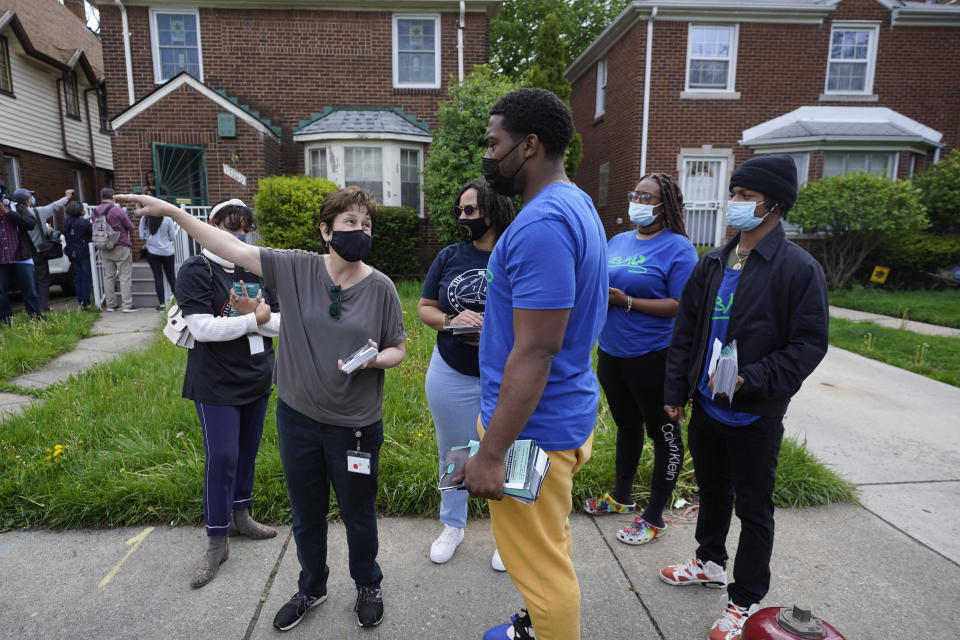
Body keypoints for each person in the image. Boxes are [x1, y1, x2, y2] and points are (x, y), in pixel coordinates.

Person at [117, 186, 406, 631]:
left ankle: (368, 582)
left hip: (355, 426)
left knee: (358, 513)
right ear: (326, 231)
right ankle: (312, 586)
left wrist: (375, 360)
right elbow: (227, 245)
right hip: (300, 421)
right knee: (306, 514)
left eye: (366, 224)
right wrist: (172, 212)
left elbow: (398, 349)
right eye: (350, 223)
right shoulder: (297, 269)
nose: (360, 231)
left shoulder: (382, 287)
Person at [659, 154, 829, 640]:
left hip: (755, 413)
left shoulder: (798, 269)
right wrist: (676, 389)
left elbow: (808, 345)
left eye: (745, 196)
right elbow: (686, 330)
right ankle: (709, 560)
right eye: (734, 193)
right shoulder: (713, 260)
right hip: (707, 406)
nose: (733, 203)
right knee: (713, 491)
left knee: (754, 509)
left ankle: (745, 600)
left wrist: (747, 379)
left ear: (773, 205)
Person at [458, 88, 607, 640]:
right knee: (549, 548)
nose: (488, 155)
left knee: (543, 575)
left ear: (530, 145)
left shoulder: (541, 225)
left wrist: (491, 454)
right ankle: (535, 626)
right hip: (559, 413)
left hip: (530, 432)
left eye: (494, 143)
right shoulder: (577, 204)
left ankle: (549, 630)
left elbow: (537, 349)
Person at [583, 173, 698, 546]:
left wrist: (626, 302)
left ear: (666, 206)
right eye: (636, 195)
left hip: (654, 356)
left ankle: (654, 516)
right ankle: (621, 496)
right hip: (613, 352)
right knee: (626, 426)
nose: (639, 202)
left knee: (664, 434)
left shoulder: (679, 248)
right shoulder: (618, 240)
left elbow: (682, 306)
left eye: (648, 198)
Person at [175, 198, 281, 589]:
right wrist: (255, 319)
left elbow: (281, 323)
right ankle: (216, 540)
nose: (238, 235)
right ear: (212, 224)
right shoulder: (196, 270)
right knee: (222, 456)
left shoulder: (254, 266)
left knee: (248, 451)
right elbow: (202, 328)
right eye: (229, 227)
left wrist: (259, 320)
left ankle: (241, 517)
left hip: (255, 374)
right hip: (215, 382)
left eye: (244, 229)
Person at [417, 179, 515, 568]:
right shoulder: (449, 256)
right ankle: (452, 525)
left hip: (506, 378)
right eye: (459, 210)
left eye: (470, 210)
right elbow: (424, 307)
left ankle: (507, 537)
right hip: (452, 372)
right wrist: (451, 320)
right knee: (454, 451)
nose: (463, 217)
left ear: (492, 210)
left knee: (505, 453)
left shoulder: (515, 254)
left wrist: (495, 330)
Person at [11, 188, 72, 312]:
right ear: (27, 201)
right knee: (43, 281)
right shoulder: (37, 212)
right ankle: (43, 307)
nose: (32, 199)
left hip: (20, 254)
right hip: (38, 252)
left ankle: (31, 309)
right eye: (30, 197)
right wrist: (67, 197)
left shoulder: (12, 214)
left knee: (28, 282)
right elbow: (54, 206)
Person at [0, 190, 43, 324]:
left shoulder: (16, 207)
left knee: (30, 290)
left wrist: (8, 213)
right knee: (0, 293)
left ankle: (36, 318)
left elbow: (30, 224)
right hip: (1, 258)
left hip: (21, 255)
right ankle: (6, 321)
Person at [95, 188, 136, 312]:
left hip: (103, 246)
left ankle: (111, 304)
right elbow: (130, 226)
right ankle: (127, 305)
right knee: (124, 276)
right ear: (113, 197)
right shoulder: (116, 210)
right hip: (120, 245)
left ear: (102, 197)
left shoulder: (95, 211)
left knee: (108, 276)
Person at [139, 213, 178, 310]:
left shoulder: (145, 218)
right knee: (172, 277)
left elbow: (141, 236)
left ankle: (162, 305)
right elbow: (173, 237)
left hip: (152, 251)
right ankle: (180, 303)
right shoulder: (168, 218)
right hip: (167, 252)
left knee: (158, 277)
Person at [62, 201, 93, 310]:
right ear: (80, 211)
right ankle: (86, 302)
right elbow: (93, 230)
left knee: (78, 277)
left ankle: (80, 301)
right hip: (84, 252)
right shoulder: (83, 223)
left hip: (72, 253)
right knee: (86, 277)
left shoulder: (67, 222)